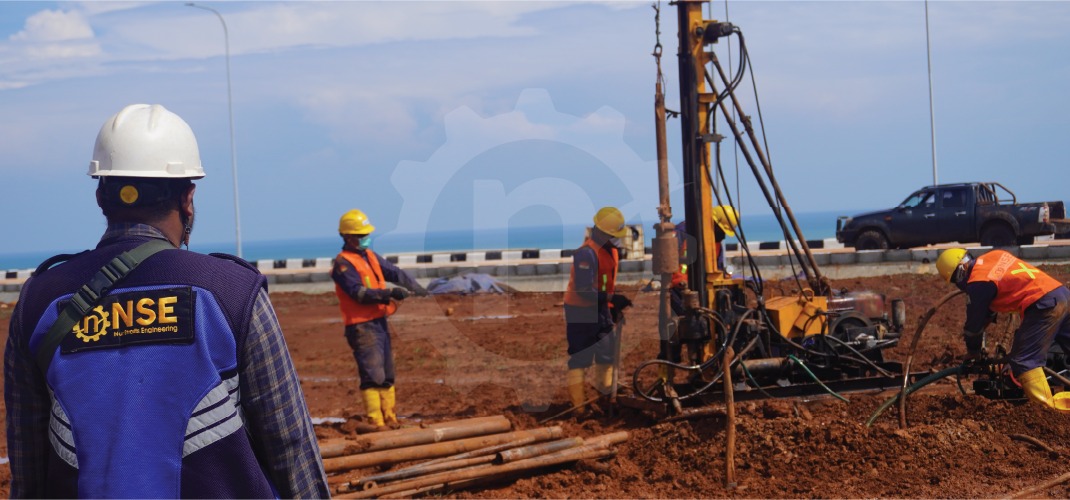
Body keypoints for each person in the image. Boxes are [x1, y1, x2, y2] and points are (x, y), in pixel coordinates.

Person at [3, 104, 329, 498]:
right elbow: (291, 445)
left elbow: (28, 468)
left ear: (100, 196)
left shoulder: (38, 302)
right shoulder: (232, 292)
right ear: (188, 197)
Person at [936, 247, 1070, 411]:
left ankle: (1049, 411)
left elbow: (973, 326)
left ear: (961, 271)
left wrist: (973, 350)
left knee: (1024, 360)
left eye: (956, 280)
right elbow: (992, 303)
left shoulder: (977, 282)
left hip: (1043, 305)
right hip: (1062, 294)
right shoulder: (994, 257)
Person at [332, 209, 428, 427]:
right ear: (348, 237)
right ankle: (376, 420)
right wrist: (389, 293)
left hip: (379, 322)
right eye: (361, 235)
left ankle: (390, 417)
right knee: (373, 374)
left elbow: (395, 273)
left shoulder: (370, 257)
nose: (366, 238)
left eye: (366, 234)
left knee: (386, 373)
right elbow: (358, 293)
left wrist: (417, 288)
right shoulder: (343, 264)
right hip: (361, 326)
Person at [563, 206, 632, 410]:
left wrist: (612, 307)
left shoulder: (611, 251)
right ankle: (579, 407)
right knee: (580, 357)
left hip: (601, 308)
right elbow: (584, 290)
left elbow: (606, 283)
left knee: (606, 352)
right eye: (612, 236)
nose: (615, 240)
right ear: (601, 232)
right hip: (581, 311)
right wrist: (611, 298)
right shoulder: (586, 254)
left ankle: (606, 394)